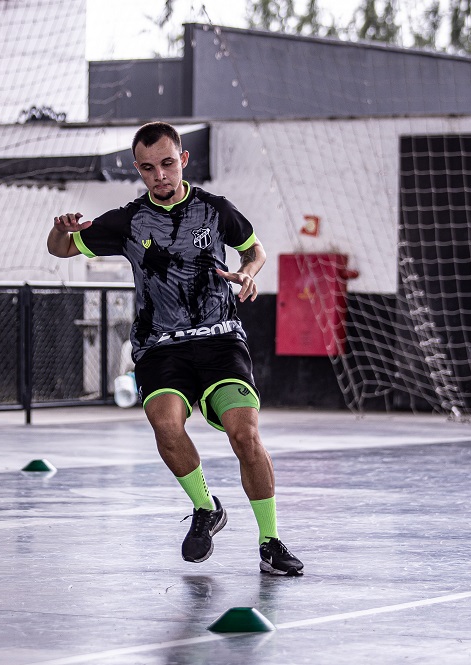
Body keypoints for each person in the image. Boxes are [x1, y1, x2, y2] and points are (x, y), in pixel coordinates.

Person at [47, 121, 303, 576]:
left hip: (220, 337)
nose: (160, 175)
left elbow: (254, 249)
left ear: (183, 160)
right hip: (160, 346)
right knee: (165, 424)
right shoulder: (127, 221)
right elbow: (62, 250)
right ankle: (207, 507)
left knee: (245, 436)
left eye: (167, 163)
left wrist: (248, 273)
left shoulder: (215, 209)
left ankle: (270, 541)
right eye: (148, 168)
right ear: (139, 170)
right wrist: (59, 229)